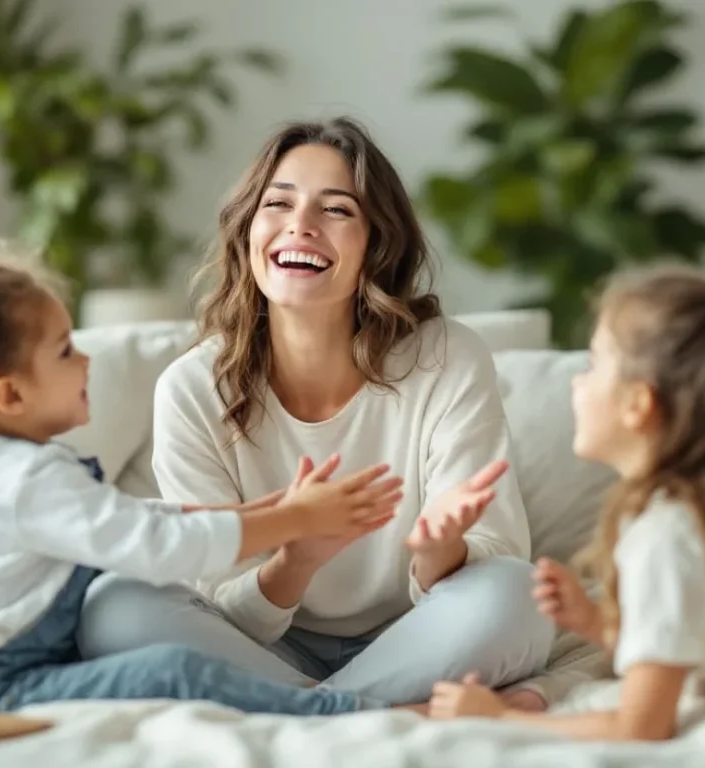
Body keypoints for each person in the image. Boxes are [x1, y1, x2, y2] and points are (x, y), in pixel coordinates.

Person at [78, 116, 555, 707]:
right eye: (278, 203)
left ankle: (304, 712)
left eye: (336, 210)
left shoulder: (447, 358)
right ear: (249, 230)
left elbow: (497, 551)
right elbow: (221, 596)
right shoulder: (193, 387)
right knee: (113, 604)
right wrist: (296, 560)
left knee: (520, 593)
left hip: (420, 636)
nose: (300, 226)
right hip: (263, 649)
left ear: (375, 246)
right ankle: (356, 710)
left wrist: (440, 553)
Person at [0, 247, 411, 716]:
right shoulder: (21, 480)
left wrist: (265, 513)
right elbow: (156, 544)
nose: (86, 360)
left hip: (4, 666)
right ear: (9, 395)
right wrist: (295, 519)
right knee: (173, 669)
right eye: (65, 350)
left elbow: (134, 516)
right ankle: (345, 713)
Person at [428, 267, 705, 740]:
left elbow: (642, 726)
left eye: (594, 364)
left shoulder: (667, 535)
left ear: (638, 405)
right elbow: (683, 646)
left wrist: (500, 718)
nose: (577, 384)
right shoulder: (673, 517)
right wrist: (595, 624)